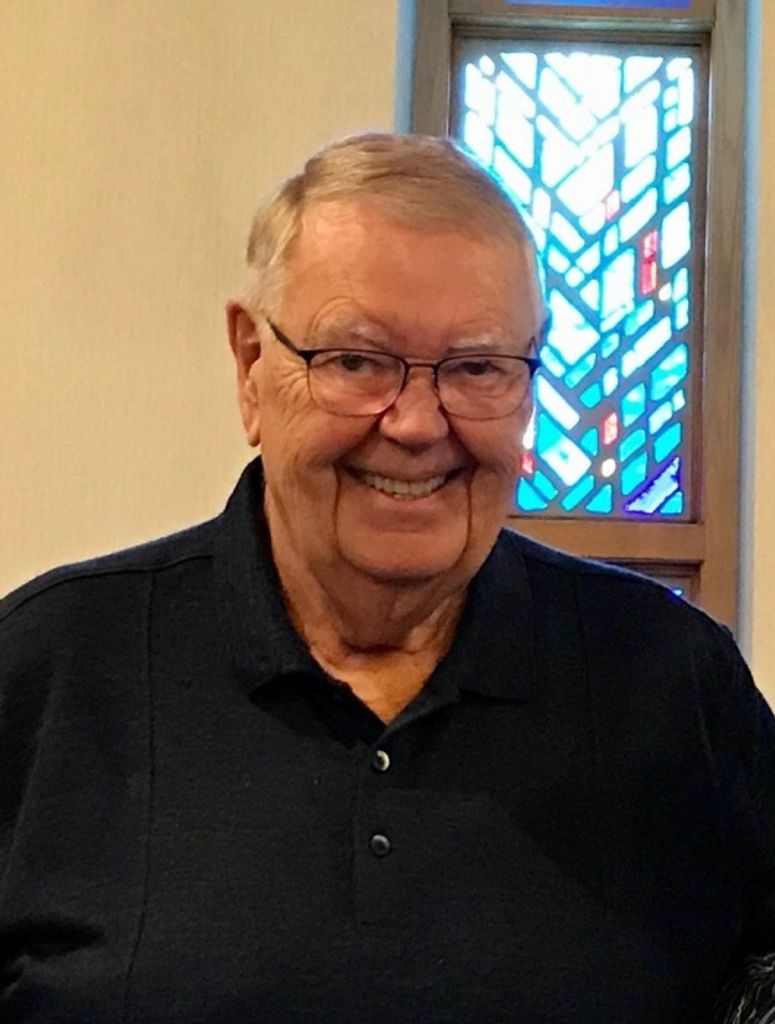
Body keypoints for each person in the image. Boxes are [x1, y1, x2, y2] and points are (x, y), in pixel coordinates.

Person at [0, 133, 773, 1024]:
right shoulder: (50, 669)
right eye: (355, 361)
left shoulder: (669, 681)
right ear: (250, 364)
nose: (414, 424)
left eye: (475, 367)